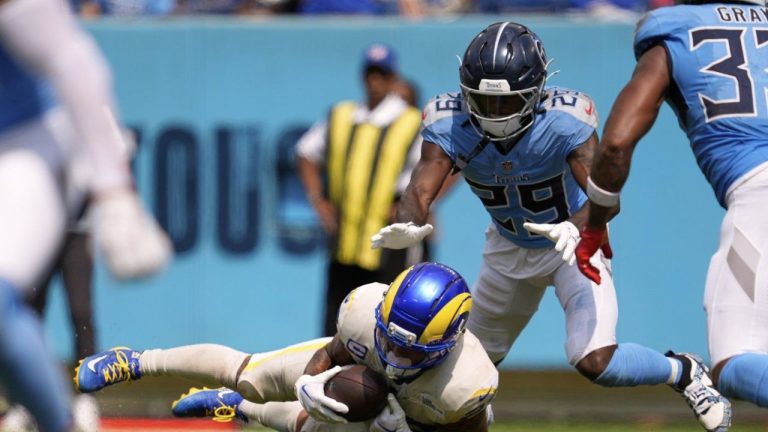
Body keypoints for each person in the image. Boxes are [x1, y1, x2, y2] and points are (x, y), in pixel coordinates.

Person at [371, 21, 731, 431]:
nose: (494, 115)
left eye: (506, 103)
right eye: (483, 103)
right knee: (460, 369)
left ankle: (682, 371)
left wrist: (578, 225)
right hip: (507, 249)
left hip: (573, 246)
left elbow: (605, 195)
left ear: (537, 92)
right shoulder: (448, 121)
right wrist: (408, 221)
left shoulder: (563, 121)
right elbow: (420, 188)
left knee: (596, 361)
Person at [574, 0, 768, 414]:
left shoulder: (675, 31)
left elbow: (616, 144)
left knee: (734, 362)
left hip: (758, 191)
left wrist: (593, 226)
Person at [0, 0, 173, 429]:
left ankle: (67, 414)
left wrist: (116, 195)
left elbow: (74, 62)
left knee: (72, 313)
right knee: (30, 313)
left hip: (22, 150)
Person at [74, 262, 498, 432]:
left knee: (310, 429)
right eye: (388, 339)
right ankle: (135, 360)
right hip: (375, 385)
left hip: (421, 422)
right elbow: (333, 354)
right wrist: (311, 385)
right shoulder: (367, 312)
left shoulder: (461, 388)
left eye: (409, 352)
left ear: (444, 346)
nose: (393, 355)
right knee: (254, 376)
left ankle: (237, 408)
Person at [296, 43, 428, 336]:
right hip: (345, 236)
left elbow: (439, 165)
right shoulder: (342, 115)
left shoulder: (409, 121)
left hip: (389, 236)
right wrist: (317, 199)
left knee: (388, 316)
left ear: (393, 77)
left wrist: (415, 205)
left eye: (382, 73)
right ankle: (327, 379)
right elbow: (305, 152)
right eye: (370, 73)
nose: (375, 80)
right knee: (336, 320)